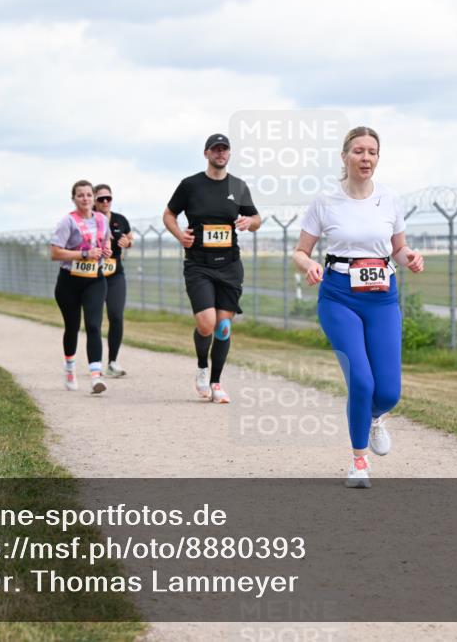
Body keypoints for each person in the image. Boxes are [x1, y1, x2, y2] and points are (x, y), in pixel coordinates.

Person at [291, 126, 424, 488]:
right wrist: (310, 265)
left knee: (388, 393)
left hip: (382, 296)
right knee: (361, 382)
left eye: (372, 152)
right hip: (339, 295)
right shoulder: (325, 201)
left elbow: (397, 248)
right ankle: (359, 462)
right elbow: (300, 252)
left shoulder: (390, 199)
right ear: (344, 156)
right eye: (359, 151)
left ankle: (375, 417)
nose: (366, 158)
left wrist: (409, 256)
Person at [163, 134, 261, 404]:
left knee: (224, 327)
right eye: (215, 149)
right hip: (199, 265)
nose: (220, 153)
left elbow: (257, 219)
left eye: (224, 149)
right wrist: (179, 235)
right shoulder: (190, 185)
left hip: (229, 264)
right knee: (206, 324)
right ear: (206, 153)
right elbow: (169, 214)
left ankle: (216, 382)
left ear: (229, 154)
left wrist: (247, 222)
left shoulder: (238, 186)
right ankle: (202, 368)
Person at [50, 180, 112, 393]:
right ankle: (69, 367)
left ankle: (96, 376)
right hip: (70, 280)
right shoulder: (67, 222)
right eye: (80, 195)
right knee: (73, 327)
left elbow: (106, 242)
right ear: (74, 198)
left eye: (88, 195)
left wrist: (106, 251)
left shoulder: (102, 219)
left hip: (95, 279)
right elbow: (55, 253)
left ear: (93, 197)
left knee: (94, 325)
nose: (85, 198)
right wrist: (83, 253)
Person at [92, 183, 133, 377]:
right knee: (95, 320)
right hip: (93, 274)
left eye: (109, 198)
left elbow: (129, 239)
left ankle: (112, 362)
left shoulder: (120, 220)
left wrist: (128, 242)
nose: (105, 202)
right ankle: (95, 363)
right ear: (94, 200)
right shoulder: (88, 219)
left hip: (115, 273)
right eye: (101, 199)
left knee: (116, 316)